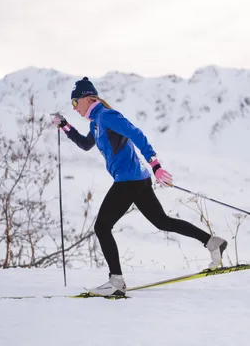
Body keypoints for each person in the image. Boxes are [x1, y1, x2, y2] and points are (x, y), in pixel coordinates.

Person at [52, 77, 227, 296]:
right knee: (162, 221)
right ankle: (213, 242)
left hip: (129, 180)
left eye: (75, 103)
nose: (74, 108)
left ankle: (116, 282)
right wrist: (65, 126)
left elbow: (136, 134)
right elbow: (87, 144)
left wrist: (156, 165)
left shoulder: (107, 116)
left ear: (88, 98)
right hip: (136, 179)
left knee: (102, 227)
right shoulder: (96, 123)